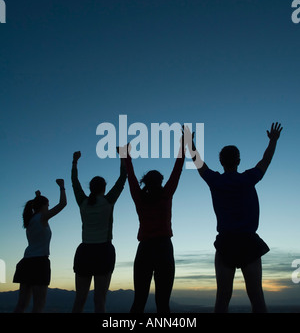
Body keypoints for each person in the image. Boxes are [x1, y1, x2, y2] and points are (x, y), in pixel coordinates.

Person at [186, 122, 283, 313]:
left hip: (226, 243)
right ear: (238, 161)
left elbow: (198, 163)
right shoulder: (248, 178)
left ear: (221, 162)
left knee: (222, 299)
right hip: (248, 242)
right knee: (257, 298)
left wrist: (190, 142)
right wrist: (273, 141)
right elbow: (265, 161)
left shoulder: (216, 180)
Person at [119, 127, 187, 313]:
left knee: (139, 301)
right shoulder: (166, 195)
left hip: (145, 250)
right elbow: (178, 168)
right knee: (163, 303)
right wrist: (184, 142)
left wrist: (126, 156)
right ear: (161, 181)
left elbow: (131, 176)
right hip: (164, 249)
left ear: (146, 182)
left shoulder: (139, 198)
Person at [71, 150, 127, 313]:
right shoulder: (109, 200)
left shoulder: (82, 201)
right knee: (100, 300)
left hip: (85, 252)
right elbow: (123, 179)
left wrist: (75, 162)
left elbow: (75, 182)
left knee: (79, 299)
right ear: (104, 187)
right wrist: (122, 157)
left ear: (91, 188)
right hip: (104, 251)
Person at [13, 179, 67, 313]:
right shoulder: (43, 217)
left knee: (21, 305)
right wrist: (62, 187)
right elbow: (62, 204)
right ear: (43, 206)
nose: (49, 207)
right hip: (39, 263)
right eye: (48, 205)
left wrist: (38, 197)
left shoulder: (30, 219)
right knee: (39, 305)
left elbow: (37, 207)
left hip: (26, 263)